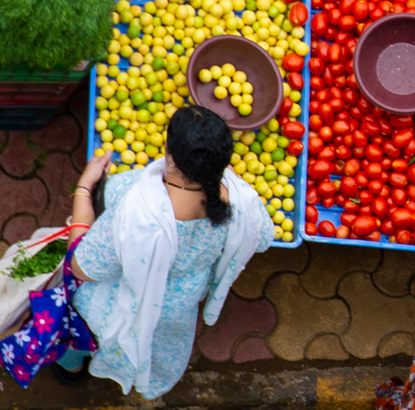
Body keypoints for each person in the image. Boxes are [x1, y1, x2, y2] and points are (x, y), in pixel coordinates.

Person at [56, 106, 274, 399]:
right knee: (158, 342)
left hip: (125, 297)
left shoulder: (135, 204)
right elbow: (262, 238)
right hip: (179, 303)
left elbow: (83, 268)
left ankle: (71, 367)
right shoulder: (241, 201)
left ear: (171, 158)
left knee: (70, 324)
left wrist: (84, 189)